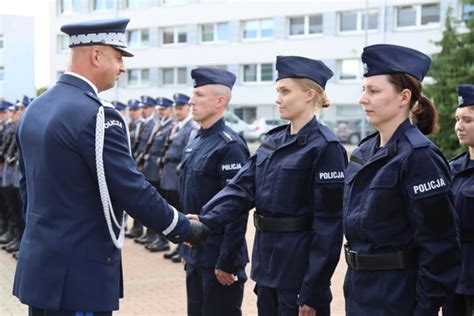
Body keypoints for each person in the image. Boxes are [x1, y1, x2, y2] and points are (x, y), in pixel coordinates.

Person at [13, 18, 209, 316]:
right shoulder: (98, 115)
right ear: (96, 56)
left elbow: (27, 188)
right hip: (80, 275)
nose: (122, 67)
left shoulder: (36, 109)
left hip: (42, 268)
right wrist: (184, 228)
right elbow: (131, 189)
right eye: (118, 57)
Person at [194, 56, 347, 316]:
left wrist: (313, 289)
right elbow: (240, 190)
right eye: (278, 91)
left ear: (310, 95)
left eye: (285, 91)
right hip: (268, 269)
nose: (278, 98)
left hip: (298, 275)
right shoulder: (272, 141)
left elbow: (329, 227)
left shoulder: (325, 147)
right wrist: (203, 221)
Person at [342, 44, 461, 315]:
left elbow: (441, 245)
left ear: (403, 96)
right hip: (359, 291)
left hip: (397, 296)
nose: (363, 98)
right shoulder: (364, 151)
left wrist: (424, 307)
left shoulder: (420, 157)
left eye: (373, 90)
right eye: (363, 89)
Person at [179, 68, 250, 316]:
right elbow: (188, 198)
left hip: (219, 259)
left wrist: (227, 261)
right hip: (196, 254)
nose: (191, 101)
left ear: (220, 101)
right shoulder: (196, 141)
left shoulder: (230, 145)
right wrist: (185, 248)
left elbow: (237, 208)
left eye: (199, 94)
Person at [442, 84, 474, 316]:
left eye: (468, 120)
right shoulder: (452, 168)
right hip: (453, 276)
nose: (459, 127)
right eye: (457, 119)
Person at [155, 93, 199, 254]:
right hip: (168, 174)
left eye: (181, 108)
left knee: (182, 211)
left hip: (178, 175)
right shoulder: (175, 126)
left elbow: (188, 153)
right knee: (168, 209)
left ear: (188, 108)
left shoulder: (191, 128)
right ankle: (171, 243)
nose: (177, 111)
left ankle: (182, 246)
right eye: (176, 108)